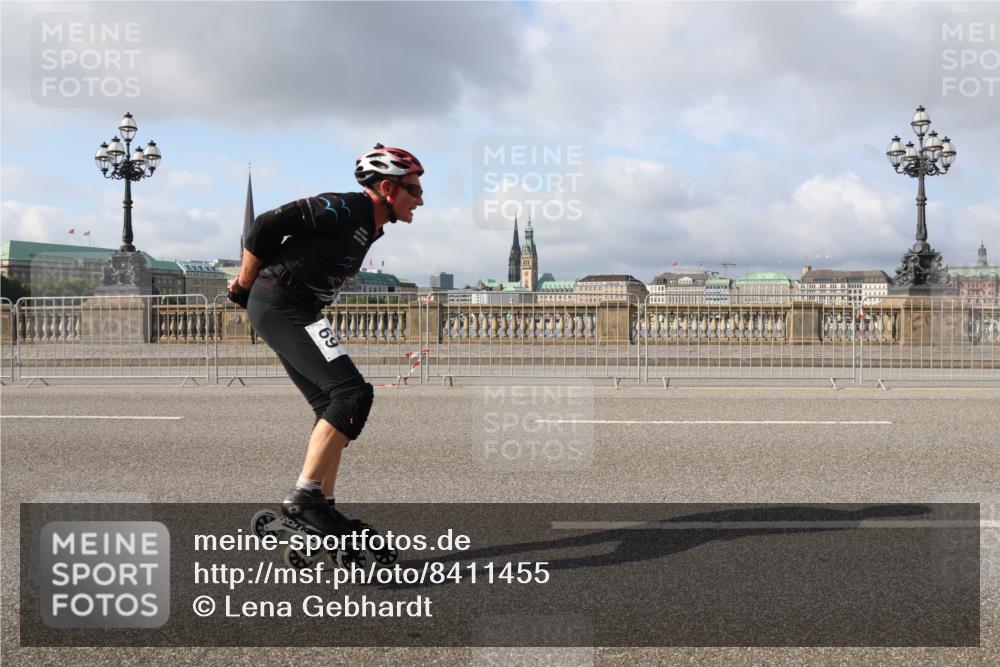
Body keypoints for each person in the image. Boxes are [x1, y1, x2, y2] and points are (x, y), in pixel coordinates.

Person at [227, 144, 424, 538]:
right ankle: (304, 498)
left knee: (332, 404)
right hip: (279, 301)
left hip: (304, 310)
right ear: (388, 188)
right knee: (352, 395)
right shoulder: (344, 207)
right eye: (414, 190)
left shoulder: (371, 226)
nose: (420, 200)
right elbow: (264, 225)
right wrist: (245, 283)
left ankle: (322, 505)